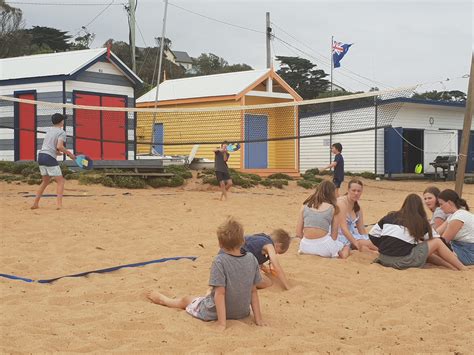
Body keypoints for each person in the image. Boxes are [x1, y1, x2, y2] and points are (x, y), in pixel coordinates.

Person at [147, 217, 265, 330]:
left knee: (187, 300)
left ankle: (164, 300)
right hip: (242, 312)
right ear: (243, 240)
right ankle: (207, 294)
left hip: (214, 312)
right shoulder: (251, 259)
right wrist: (258, 319)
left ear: (220, 244)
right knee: (210, 293)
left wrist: (222, 324)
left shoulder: (220, 261)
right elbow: (253, 291)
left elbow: (220, 294)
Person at [368, 194, 466, 271]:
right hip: (401, 261)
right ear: (420, 207)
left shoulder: (389, 216)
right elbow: (436, 239)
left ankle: (449, 266)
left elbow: (372, 234)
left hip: (383, 258)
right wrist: (450, 251)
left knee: (422, 249)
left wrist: (385, 246)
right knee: (436, 243)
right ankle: (461, 267)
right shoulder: (419, 221)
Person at [31, 113, 75, 210]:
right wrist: (70, 154)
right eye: (63, 120)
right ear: (61, 122)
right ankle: (59, 205)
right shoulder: (61, 132)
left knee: (45, 181)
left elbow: (49, 146)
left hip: (41, 156)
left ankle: (35, 203)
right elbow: (59, 146)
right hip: (49, 157)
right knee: (61, 181)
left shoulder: (49, 130)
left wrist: (56, 153)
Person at [296, 180, 349, 258]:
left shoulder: (304, 206)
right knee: (346, 246)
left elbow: (298, 233)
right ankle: (341, 255)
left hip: (305, 246)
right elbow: (334, 236)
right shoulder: (333, 208)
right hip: (324, 247)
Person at [337, 179, 378, 252]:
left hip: (352, 235)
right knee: (369, 244)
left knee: (374, 243)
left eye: (359, 191)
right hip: (340, 236)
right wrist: (356, 243)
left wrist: (366, 238)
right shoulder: (341, 203)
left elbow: (361, 229)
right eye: (353, 190)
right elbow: (344, 228)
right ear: (348, 190)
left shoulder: (357, 206)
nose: (356, 193)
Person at [438, 189, 474, 265]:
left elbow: (443, 241)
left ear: (449, 203)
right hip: (464, 248)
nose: (440, 207)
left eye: (441, 204)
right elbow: (436, 232)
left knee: (434, 250)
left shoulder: (458, 217)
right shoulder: (455, 215)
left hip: (468, 252)